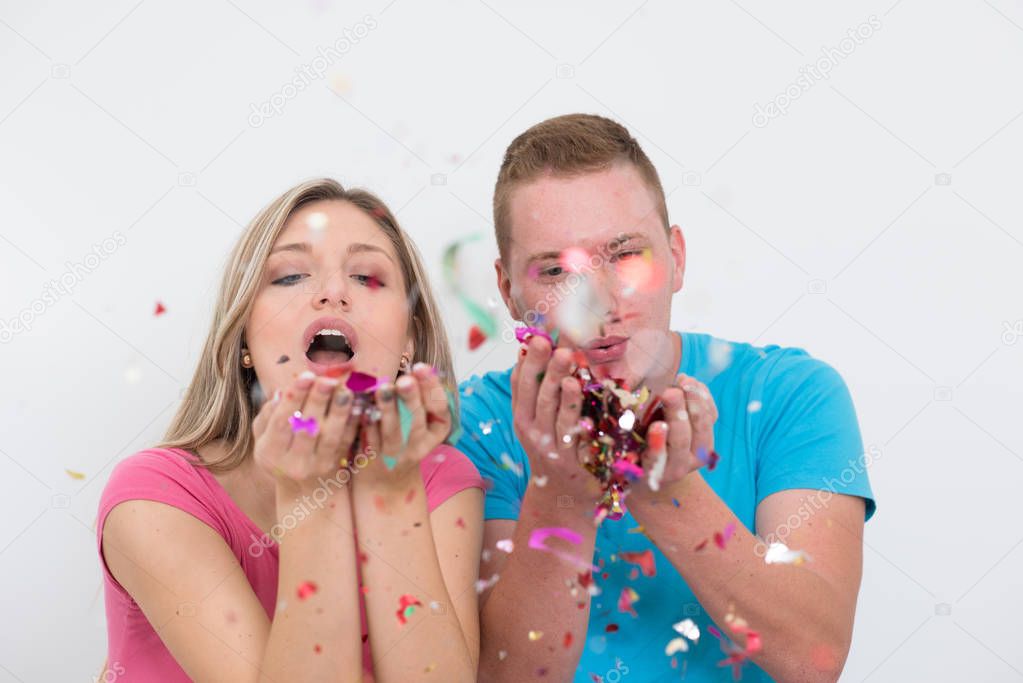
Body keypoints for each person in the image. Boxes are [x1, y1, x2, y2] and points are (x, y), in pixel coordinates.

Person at [457, 114, 876, 682]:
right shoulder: (474, 425)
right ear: (509, 291)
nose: (599, 303)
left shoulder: (789, 394)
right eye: (556, 269)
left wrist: (667, 490)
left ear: (676, 258)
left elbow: (813, 659)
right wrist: (560, 493)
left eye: (625, 254)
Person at [97, 178, 483, 682]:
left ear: (408, 341)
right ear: (244, 340)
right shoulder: (153, 498)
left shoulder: (441, 481)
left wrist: (391, 492)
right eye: (291, 276)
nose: (333, 293)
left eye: (367, 277)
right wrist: (310, 494)